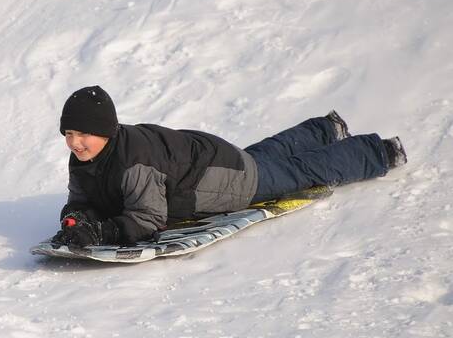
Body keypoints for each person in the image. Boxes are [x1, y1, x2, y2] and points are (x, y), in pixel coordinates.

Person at [51, 85, 407, 247]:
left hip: (216, 180)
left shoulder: (133, 163)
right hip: (207, 155)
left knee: (296, 174)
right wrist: (76, 217)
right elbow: (82, 197)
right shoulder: (86, 157)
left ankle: (377, 152)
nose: (75, 142)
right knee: (265, 160)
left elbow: (148, 218)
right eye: (69, 133)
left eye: (83, 133)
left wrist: (104, 232)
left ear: (106, 131)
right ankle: (325, 129)